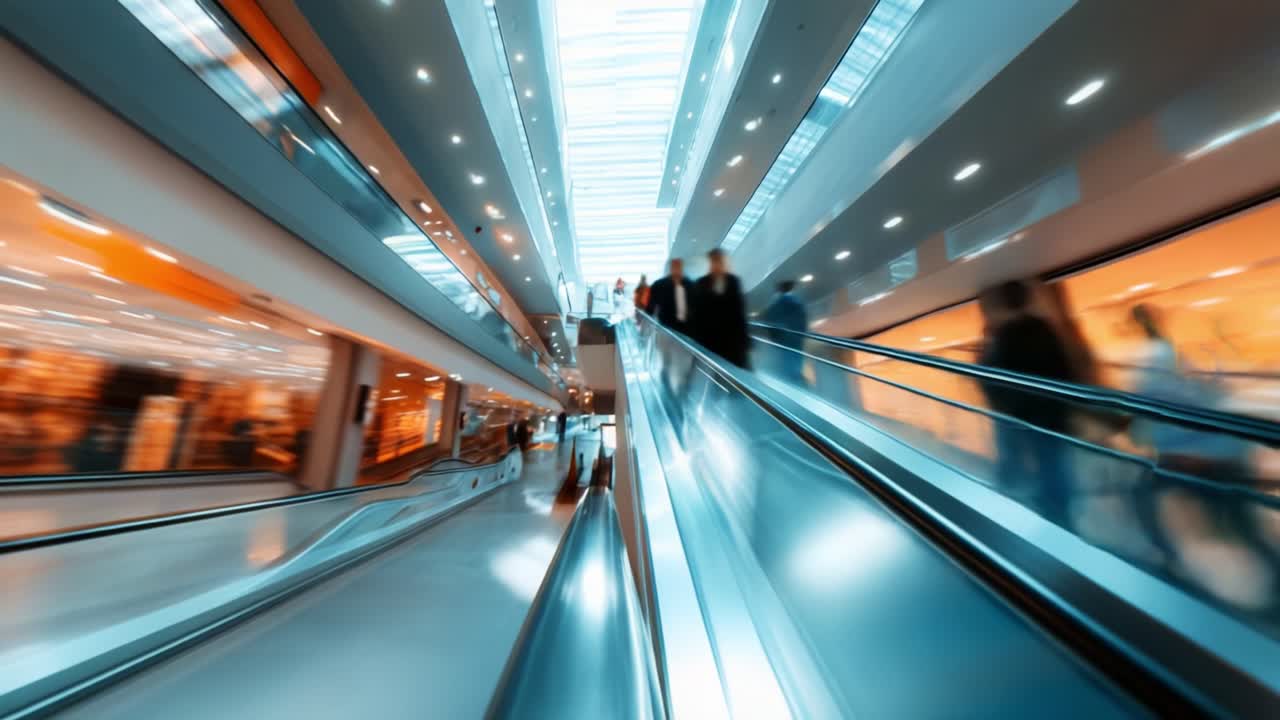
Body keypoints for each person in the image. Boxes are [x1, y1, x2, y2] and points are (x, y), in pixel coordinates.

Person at [979, 280, 1079, 524]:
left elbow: (990, 378)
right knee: (1053, 466)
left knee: (1023, 463)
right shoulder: (1043, 328)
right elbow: (1064, 369)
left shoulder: (1003, 336)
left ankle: (1023, 512)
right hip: (1052, 415)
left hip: (1020, 417)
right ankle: (1060, 518)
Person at [693, 248, 750, 369]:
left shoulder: (734, 281)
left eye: (720, 261)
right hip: (710, 342)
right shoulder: (701, 283)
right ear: (710, 263)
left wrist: (745, 342)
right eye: (714, 261)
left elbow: (739, 313)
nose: (717, 264)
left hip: (733, 343)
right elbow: (697, 315)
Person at [762, 280, 808, 383]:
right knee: (795, 361)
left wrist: (774, 338)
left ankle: (788, 380)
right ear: (791, 288)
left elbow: (769, 321)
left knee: (784, 362)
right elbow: (802, 319)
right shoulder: (795, 302)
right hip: (794, 339)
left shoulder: (775, 304)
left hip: (782, 340)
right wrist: (801, 334)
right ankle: (795, 381)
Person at [645, 258, 694, 334]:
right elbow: (650, 307)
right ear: (671, 268)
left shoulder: (690, 285)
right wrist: (647, 324)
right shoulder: (659, 285)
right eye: (675, 266)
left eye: (679, 266)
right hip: (666, 326)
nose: (677, 269)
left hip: (686, 328)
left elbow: (695, 306)